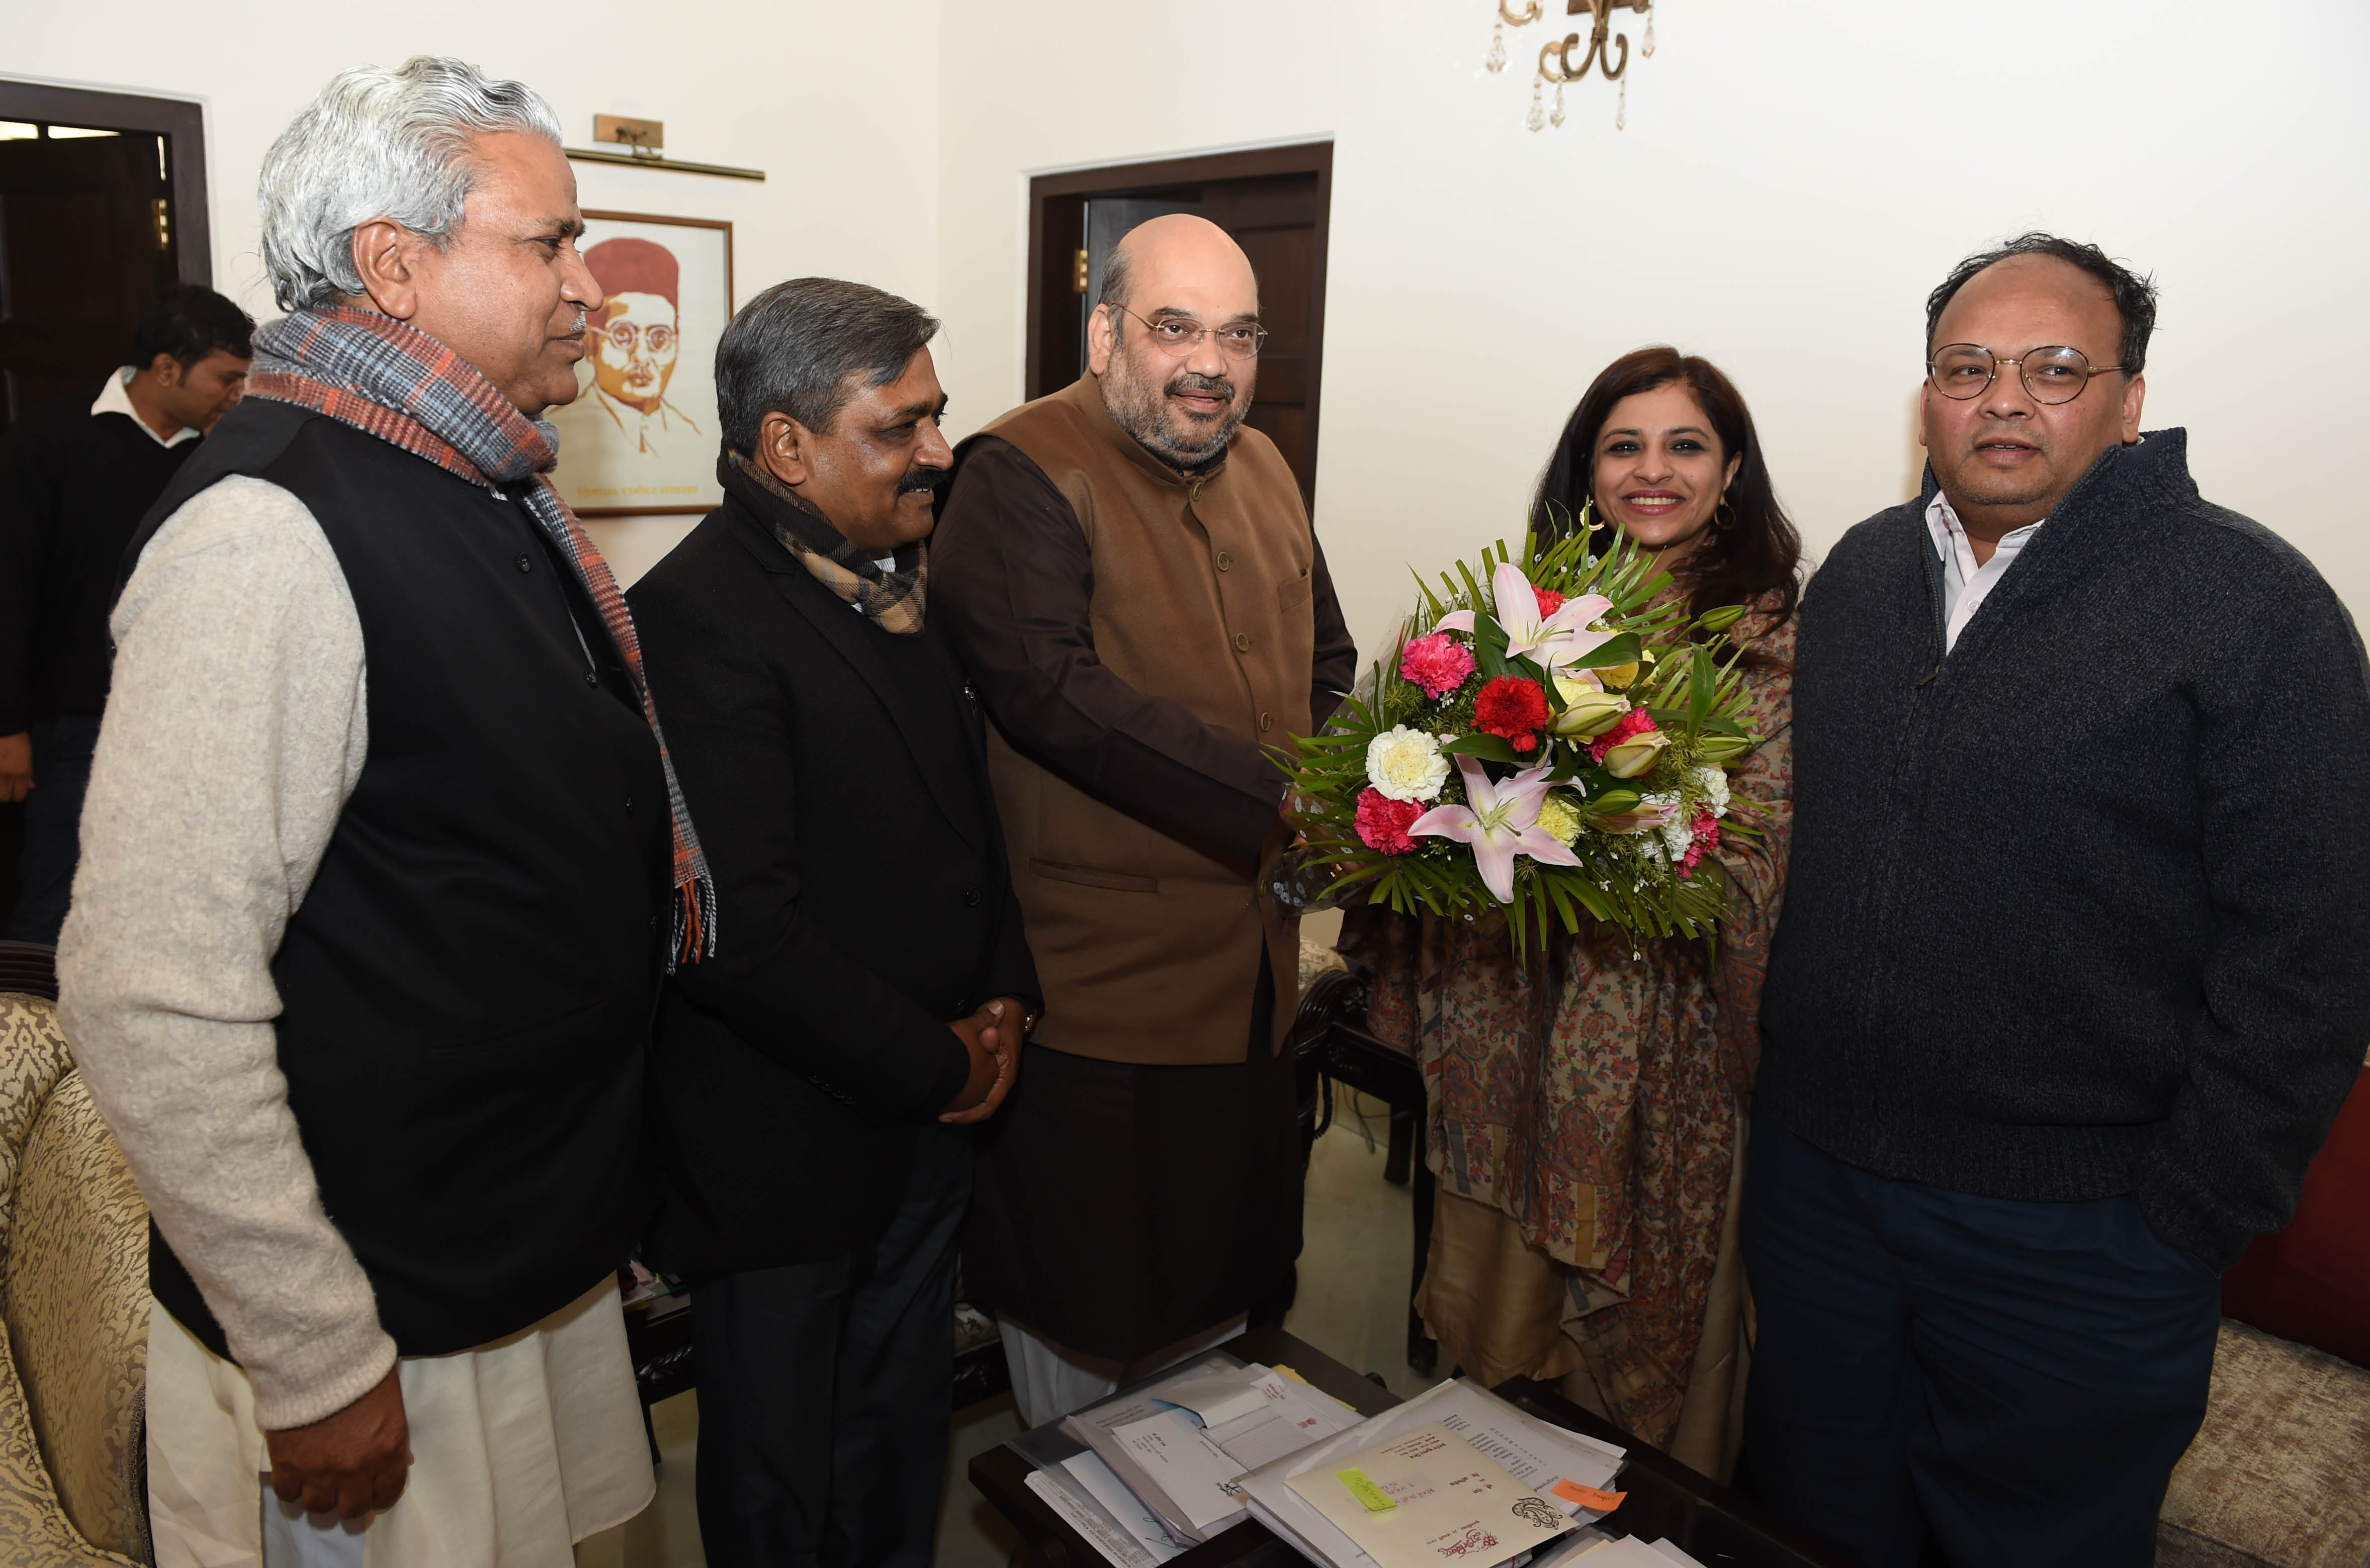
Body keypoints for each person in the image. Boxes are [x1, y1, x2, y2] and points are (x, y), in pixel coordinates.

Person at [57, 56, 712, 1565]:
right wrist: (309, 1348)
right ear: (392, 264)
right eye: (545, 243)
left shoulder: (472, 485)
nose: (586, 285)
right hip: (377, 1311)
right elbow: (153, 984)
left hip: (509, 1258)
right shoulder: (265, 531)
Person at [1746, 232, 2370, 1567]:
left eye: (2055, 367)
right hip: (1822, 1194)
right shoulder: (1858, 576)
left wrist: (2188, 1212)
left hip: (2077, 1232)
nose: (2004, 399)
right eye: (1967, 367)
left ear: (2130, 398)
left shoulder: (2250, 603)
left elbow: (2311, 949)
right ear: (1927, 394)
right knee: (1813, 1519)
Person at [626, 277, 1037, 1568]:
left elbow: (968, 819)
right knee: (778, 1474)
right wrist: (939, 1061)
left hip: (923, 1115)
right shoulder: (699, 615)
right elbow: (736, 926)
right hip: (787, 1143)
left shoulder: (884, 576)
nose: (938, 451)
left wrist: (1006, 995)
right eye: (898, 426)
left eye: (937, 417)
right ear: (787, 448)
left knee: (895, 1430)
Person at [1339, 347, 1800, 1478]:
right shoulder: (1519, 619)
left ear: (1730, 469)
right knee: (1503, 1314)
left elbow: (1768, 842)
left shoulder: (1769, 641)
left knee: (1644, 1321)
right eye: (1622, 445)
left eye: (1685, 445)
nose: (1653, 471)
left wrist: (1647, 844)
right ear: (1584, 469)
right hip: (1506, 1015)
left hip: (1669, 1047)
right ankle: (1489, 1488)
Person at [932, 214, 1357, 1425]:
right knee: (1089, 1332)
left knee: (1229, 1313)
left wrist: (1335, 777)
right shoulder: (1015, 469)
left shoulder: (1265, 464)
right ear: (1107, 331)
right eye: (1174, 327)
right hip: (1097, 1006)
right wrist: (1279, 796)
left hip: (1253, 993)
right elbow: (1051, 695)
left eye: (1235, 332)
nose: (1207, 362)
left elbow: (1326, 652)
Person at [0, 284, 251, 943]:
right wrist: (8, 725)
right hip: (76, 725)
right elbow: (11, 583)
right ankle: (34, 1042)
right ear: (166, 368)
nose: (236, 393)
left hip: (186, 722)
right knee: (55, 899)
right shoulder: (49, 441)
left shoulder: (216, 458)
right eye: (226, 378)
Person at [579, 236, 701, 455]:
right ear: (590, 343)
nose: (643, 357)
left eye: (660, 338)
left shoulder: (694, 438)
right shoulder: (566, 436)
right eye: (623, 335)